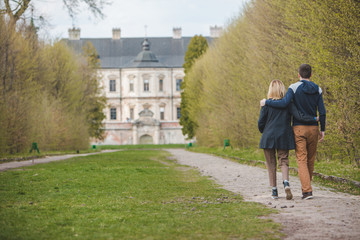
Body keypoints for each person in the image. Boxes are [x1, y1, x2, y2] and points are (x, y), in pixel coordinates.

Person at [260, 64, 326, 200]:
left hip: (285, 131)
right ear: (311, 75)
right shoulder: (315, 90)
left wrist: (266, 103)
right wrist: (320, 124)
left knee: (289, 160)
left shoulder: (290, 90)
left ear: (298, 75)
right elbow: (314, 113)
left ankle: (289, 190)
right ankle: (295, 185)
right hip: (303, 131)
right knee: (298, 159)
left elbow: (264, 120)